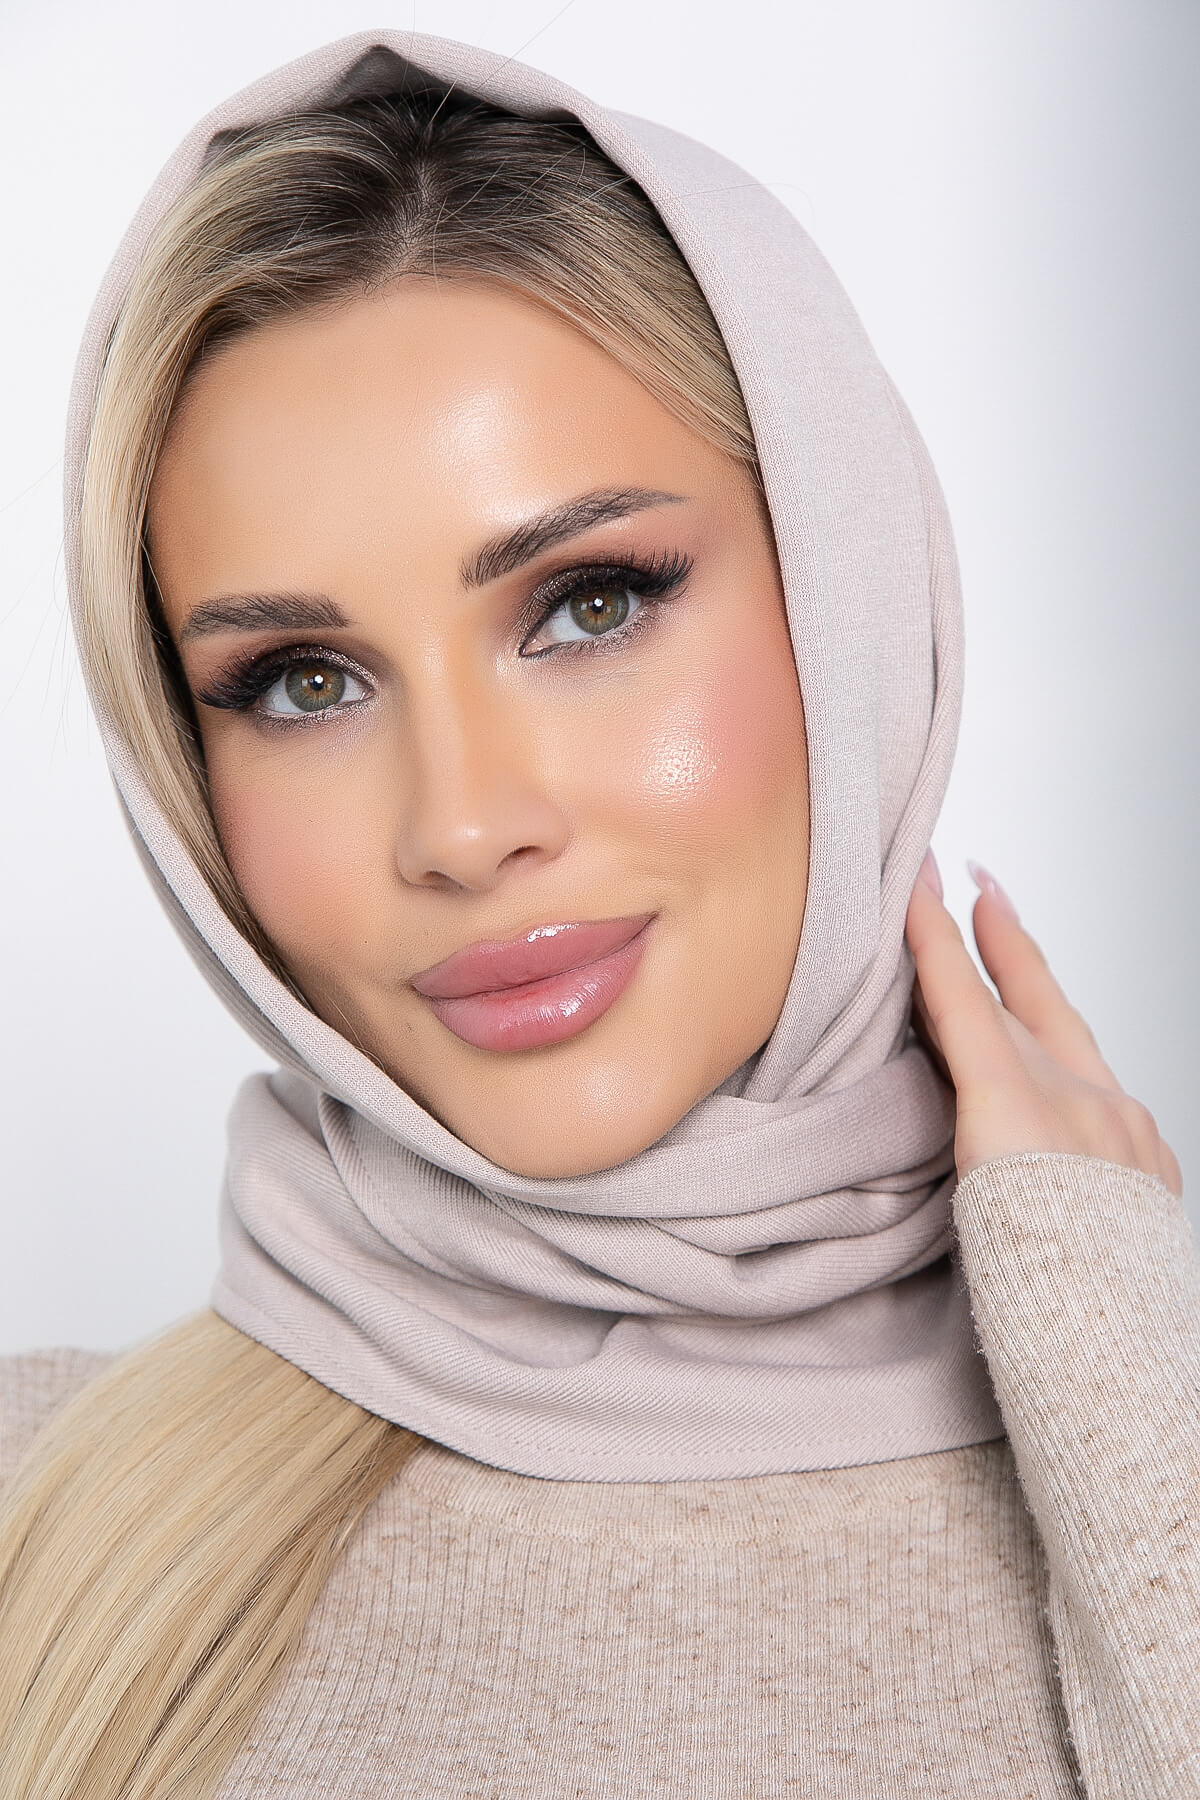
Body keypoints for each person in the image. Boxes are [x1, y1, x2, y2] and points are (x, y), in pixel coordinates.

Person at [1, 28, 1196, 1800]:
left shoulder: (1143, 1417)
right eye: (305, 681)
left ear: (847, 598)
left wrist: (1121, 1357)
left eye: (588, 604)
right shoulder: (46, 1527)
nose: (464, 827)